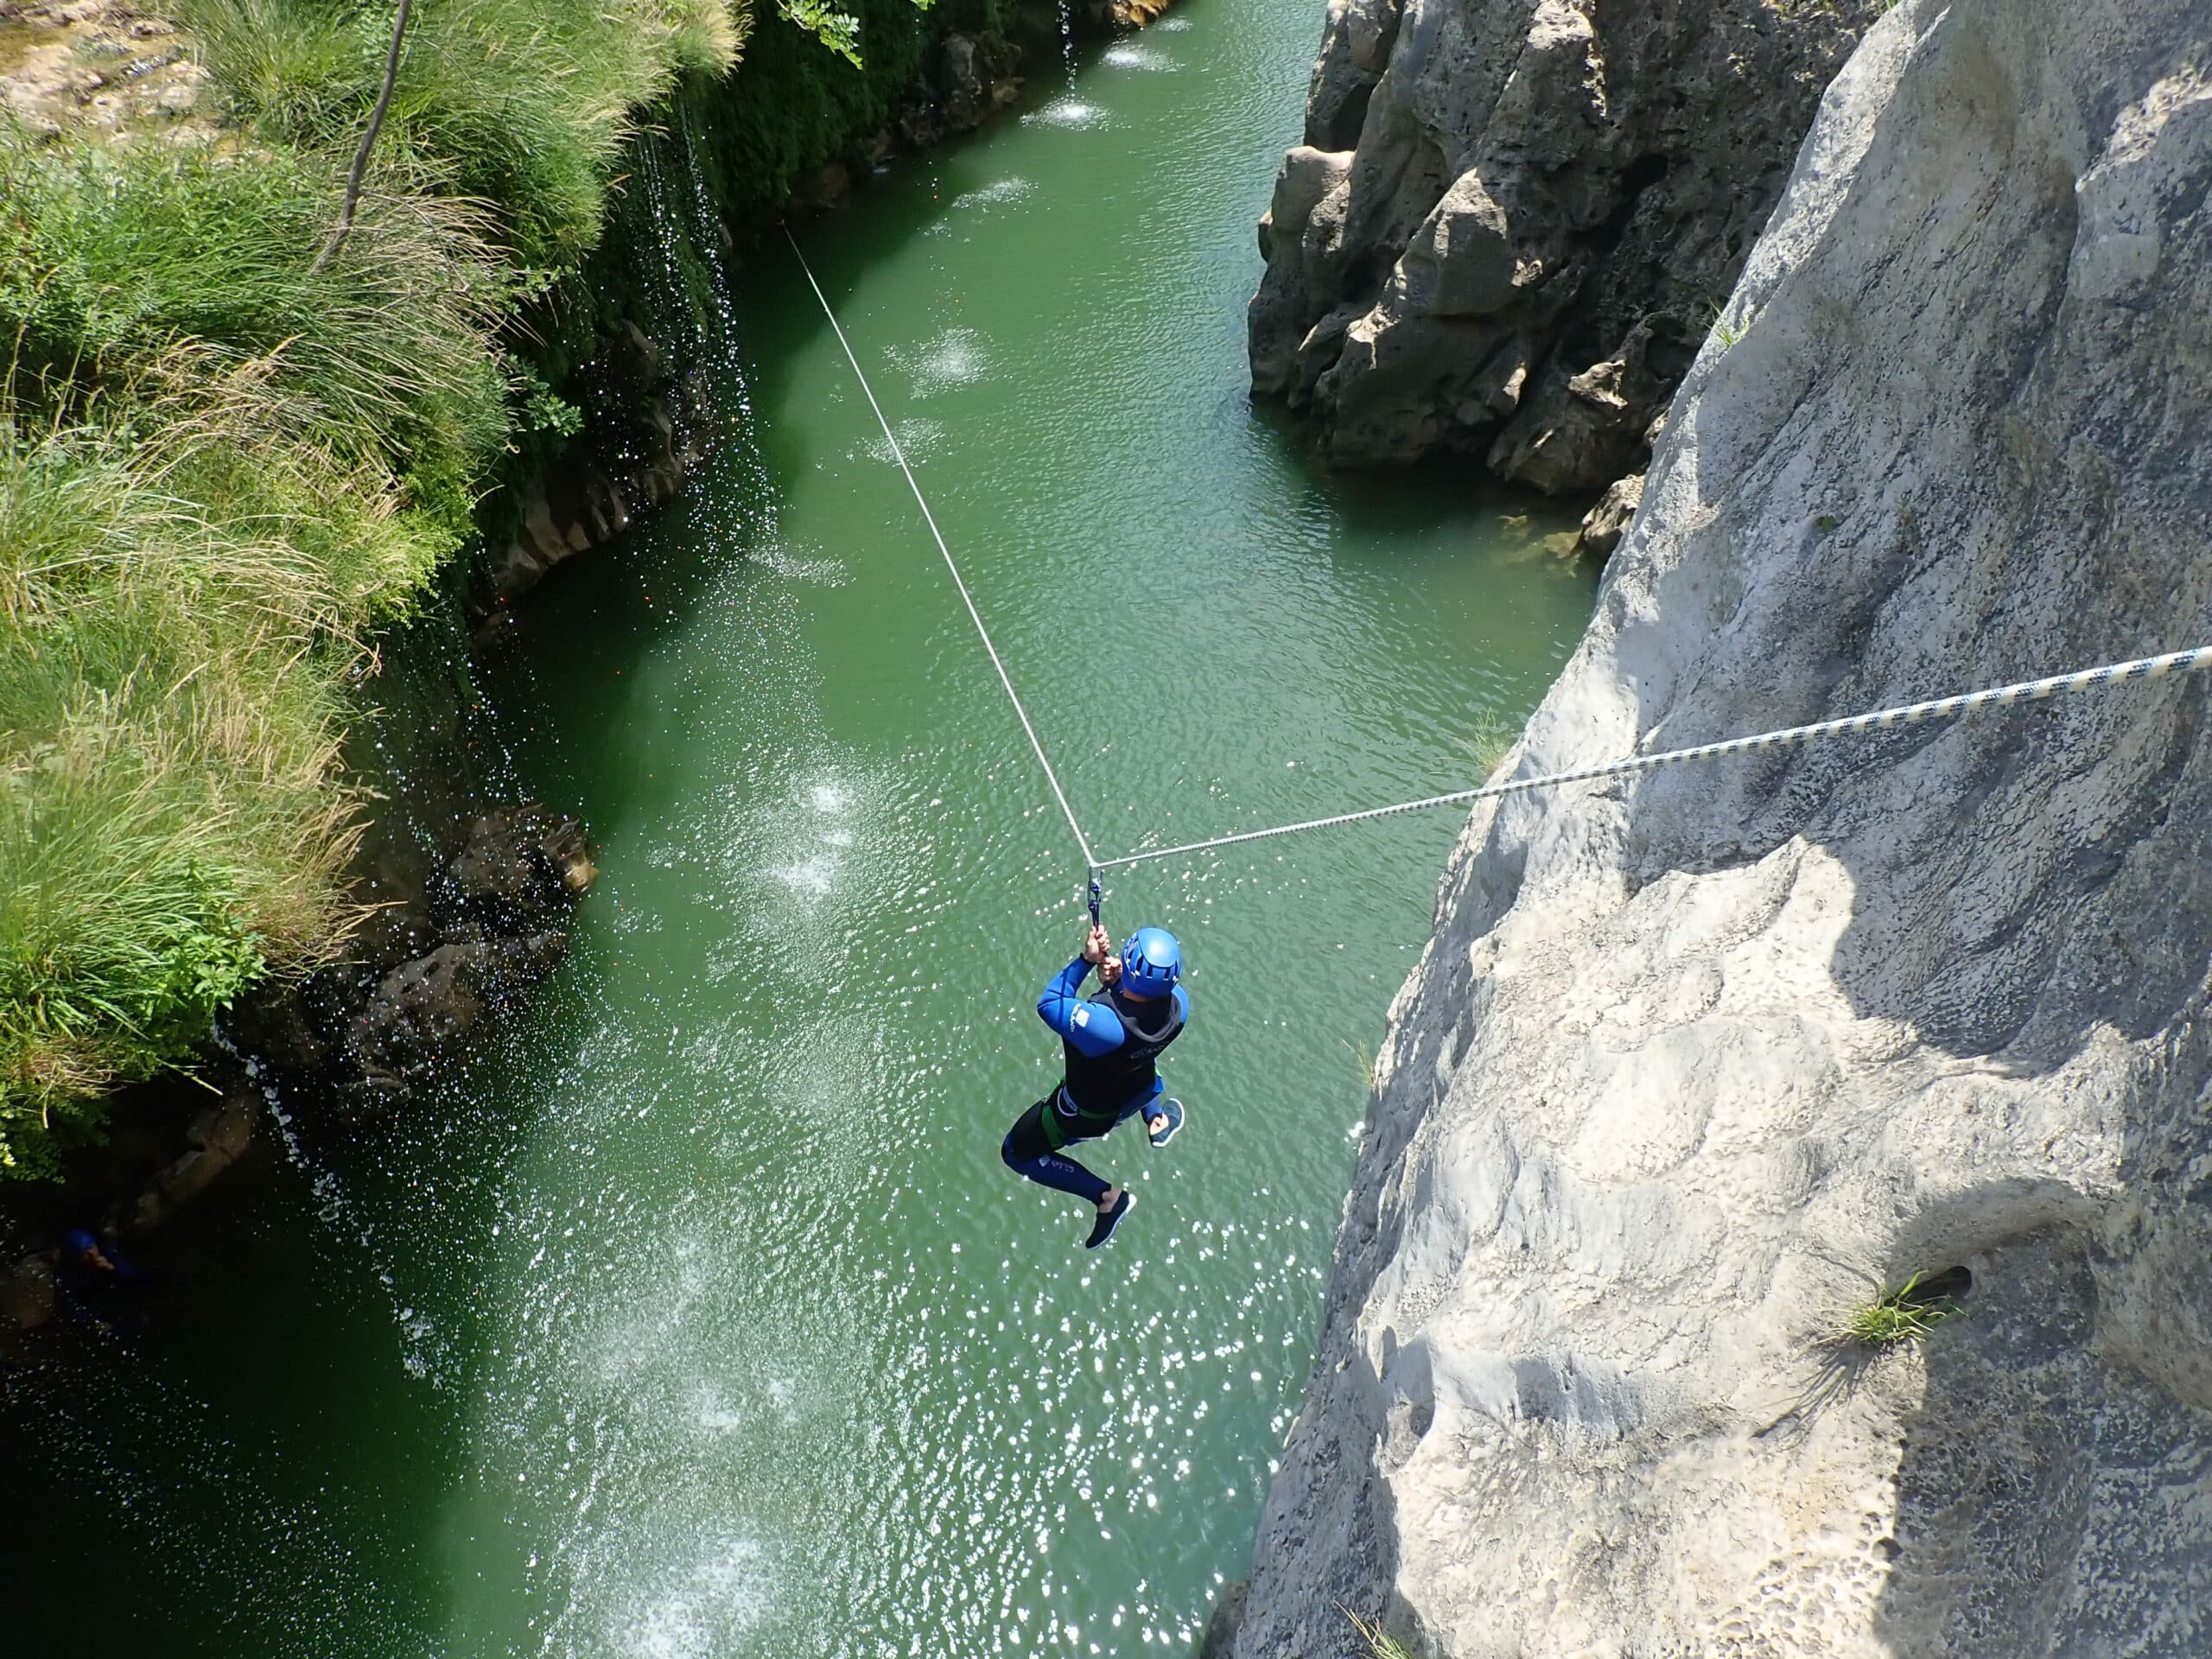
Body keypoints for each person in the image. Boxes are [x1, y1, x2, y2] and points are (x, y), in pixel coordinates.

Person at [1001, 922, 1188, 1249]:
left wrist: (1086, 960)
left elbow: (1049, 1002)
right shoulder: (1179, 1006)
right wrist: (1119, 985)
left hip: (1088, 1112)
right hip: (1138, 1088)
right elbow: (1140, 1009)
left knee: (1016, 1152)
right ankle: (1156, 1120)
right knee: (1140, 1058)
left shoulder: (1105, 1029)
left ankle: (1107, 1198)